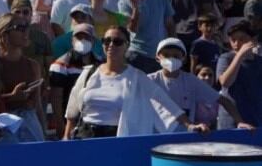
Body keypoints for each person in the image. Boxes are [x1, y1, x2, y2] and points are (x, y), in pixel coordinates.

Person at [63, 26, 205, 139]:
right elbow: (73, 107)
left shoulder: (137, 76)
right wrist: (66, 135)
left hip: (116, 138)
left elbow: (164, 102)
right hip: (85, 136)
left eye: (117, 41)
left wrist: (189, 125)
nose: (111, 45)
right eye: (107, 41)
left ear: (127, 45)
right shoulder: (89, 73)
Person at [149, 38, 253, 131]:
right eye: (166, 55)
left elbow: (223, 100)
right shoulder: (149, 80)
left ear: (184, 59)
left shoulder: (191, 80)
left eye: (176, 56)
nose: (171, 59)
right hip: (155, 136)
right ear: (158, 58)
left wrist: (240, 122)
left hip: (184, 138)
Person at [0, 13, 46, 141]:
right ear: (4, 33)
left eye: (27, 27)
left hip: (30, 123)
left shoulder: (33, 65)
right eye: (20, 28)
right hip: (2, 125)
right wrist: (11, 98)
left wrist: (43, 133)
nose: (26, 32)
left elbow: (38, 105)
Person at [119, 0, 175, 73]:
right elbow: (132, 29)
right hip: (136, 54)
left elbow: (170, 24)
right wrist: (136, 9)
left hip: (160, 54)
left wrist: (173, 47)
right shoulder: (123, 3)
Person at [48, 23, 101, 133]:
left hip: (95, 122)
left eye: (87, 37)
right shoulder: (60, 65)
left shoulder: (101, 64)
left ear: (93, 41)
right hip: (69, 123)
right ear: (72, 40)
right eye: (79, 37)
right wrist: (60, 124)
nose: (83, 40)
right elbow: (56, 98)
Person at [217, 21, 262, 128]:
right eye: (233, 40)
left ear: (253, 40)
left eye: (242, 39)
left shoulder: (259, 62)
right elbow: (225, 82)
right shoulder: (225, 58)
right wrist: (240, 56)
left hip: (256, 120)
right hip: (231, 122)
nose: (237, 44)